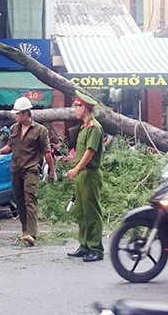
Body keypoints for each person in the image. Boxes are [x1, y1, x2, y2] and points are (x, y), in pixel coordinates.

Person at [0, 96, 56, 247]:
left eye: (18, 113)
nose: (15, 116)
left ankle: (32, 233)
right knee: (19, 201)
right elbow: (10, 146)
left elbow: (47, 153)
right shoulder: (14, 128)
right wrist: (0, 151)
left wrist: (52, 172)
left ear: (26, 113)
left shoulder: (41, 130)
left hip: (31, 170)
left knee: (30, 199)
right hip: (16, 169)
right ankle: (25, 229)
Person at [65, 92, 104, 262]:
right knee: (81, 212)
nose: (75, 110)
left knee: (92, 212)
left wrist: (76, 169)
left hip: (90, 174)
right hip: (82, 175)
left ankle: (96, 248)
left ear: (84, 107)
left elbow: (90, 152)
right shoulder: (84, 127)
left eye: (76, 106)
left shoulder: (94, 127)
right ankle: (85, 245)